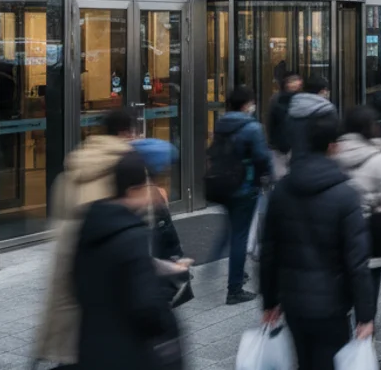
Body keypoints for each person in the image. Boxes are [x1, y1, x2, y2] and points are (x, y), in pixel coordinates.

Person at [260, 112, 375, 370]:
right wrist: (365, 315)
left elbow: (269, 251)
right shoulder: (345, 195)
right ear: (332, 146)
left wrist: (269, 300)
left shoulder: (282, 190)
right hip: (332, 304)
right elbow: (357, 262)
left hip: (293, 301)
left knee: (304, 361)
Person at [35, 107, 138, 367]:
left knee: (70, 332)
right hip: (106, 266)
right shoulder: (128, 166)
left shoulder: (76, 162)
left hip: (69, 258)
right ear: (127, 132)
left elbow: (58, 214)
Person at [73, 151, 183, 370]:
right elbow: (148, 306)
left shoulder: (91, 224)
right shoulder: (133, 235)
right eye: (148, 187)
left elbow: (79, 282)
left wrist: (159, 267)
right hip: (127, 354)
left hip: (91, 349)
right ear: (133, 190)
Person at [330, 105, 381, 370]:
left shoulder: (331, 153)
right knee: (367, 296)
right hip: (370, 236)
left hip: (335, 234)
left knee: (339, 296)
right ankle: (362, 353)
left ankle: (338, 347)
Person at [210, 85, 274, 304]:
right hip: (244, 186)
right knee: (240, 235)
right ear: (247, 104)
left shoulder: (221, 123)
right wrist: (267, 177)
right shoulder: (252, 127)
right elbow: (262, 158)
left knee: (231, 228)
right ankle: (234, 288)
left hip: (224, 185)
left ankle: (220, 267)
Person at [284, 76, 337, 159]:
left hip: (296, 160)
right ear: (323, 91)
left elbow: (287, 136)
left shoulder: (293, 107)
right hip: (320, 161)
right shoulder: (327, 110)